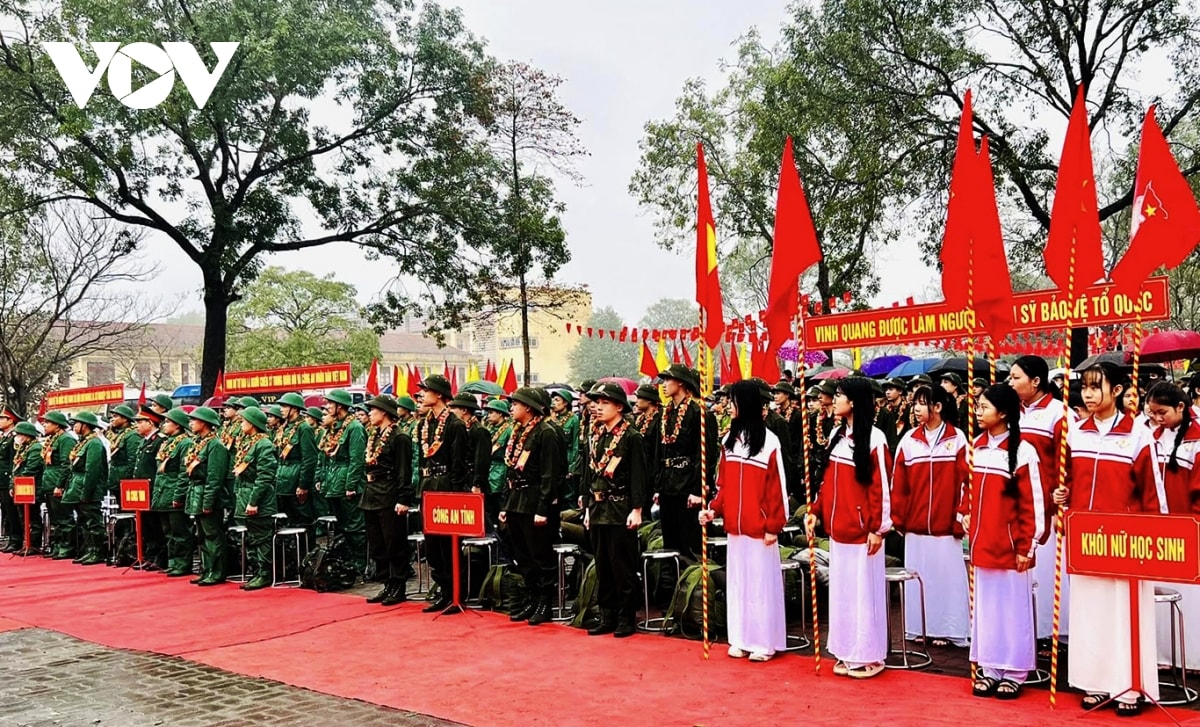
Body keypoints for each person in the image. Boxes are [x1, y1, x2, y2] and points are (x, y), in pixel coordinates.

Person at [1055, 362, 1165, 716]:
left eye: (1095, 386)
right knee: (1089, 612)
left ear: (1117, 390)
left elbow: (1152, 491)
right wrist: (1063, 494)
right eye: (1083, 387)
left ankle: (1129, 686)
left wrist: (1155, 537)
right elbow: (1070, 480)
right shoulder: (1076, 432)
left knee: (1124, 615)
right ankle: (1095, 682)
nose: (1086, 394)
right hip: (1084, 539)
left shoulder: (1137, 434)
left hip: (1125, 542)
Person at [804, 377, 892, 679]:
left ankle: (869, 654)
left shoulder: (876, 439)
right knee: (842, 594)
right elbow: (826, 481)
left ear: (853, 402)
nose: (833, 399)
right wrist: (815, 510)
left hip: (862, 531)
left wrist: (877, 528)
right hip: (838, 529)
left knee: (863, 593)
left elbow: (881, 488)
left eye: (838, 395)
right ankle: (845, 650)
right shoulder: (837, 436)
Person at [961, 384, 1043, 700]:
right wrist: (964, 513)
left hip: (1011, 548)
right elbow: (967, 490)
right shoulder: (976, 447)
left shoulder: (1023, 452)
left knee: (1013, 610)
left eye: (984, 407)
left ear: (1004, 413)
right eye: (977, 407)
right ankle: (990, 667)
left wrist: (1027, 546)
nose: (978, 412)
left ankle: (1015, 670)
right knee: (987, 609)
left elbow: (1032, 503)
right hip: (982, 544)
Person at [700, 380, 788, 661]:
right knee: (738, 585)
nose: (729, 405)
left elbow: (778, 488)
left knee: (760, 586)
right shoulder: (729, 441)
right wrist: (714, 509)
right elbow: (723, 485)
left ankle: (763, 642)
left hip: (760, 529)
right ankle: (740, 638)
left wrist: (774, 526)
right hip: (735, 529)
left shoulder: (770, 442)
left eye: (733, 401)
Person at [890, 384, 970, 647]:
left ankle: (949, 629)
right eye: (915, 403)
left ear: (938, 407)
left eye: (922, 403)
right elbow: (898, 483)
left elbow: (967, 481)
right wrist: (898, 518)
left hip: (946, 525)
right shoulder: (909, 440)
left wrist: (961, 516)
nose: (916, 408)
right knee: (919, 578)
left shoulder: (957, 439)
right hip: (916, 525)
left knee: (947, 579)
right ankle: (919, 627)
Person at [1007, 355, 1069, 643]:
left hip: (1047, 508)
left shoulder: (1059, 413)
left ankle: (1054, 634)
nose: (1010, 382)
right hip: (1016, 507)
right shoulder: (1010, 412)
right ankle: (1028, 630)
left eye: (1016, 377)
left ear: (1035, 381)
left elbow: (1064, 461)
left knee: (1048, 574)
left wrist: (1060, 501)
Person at [581, 382, 648, 637]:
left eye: (604, 403)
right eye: (596, 402)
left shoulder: (632, 437)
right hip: (598, 507)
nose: (598, 408)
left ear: (619, 406)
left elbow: (639, 475)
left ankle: (626, 617)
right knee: (603, 564)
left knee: (622, 564)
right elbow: (590, 473)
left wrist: (637, 509)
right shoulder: (595, 434)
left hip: (621, 507)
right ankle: (607, 614)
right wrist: (587, 506)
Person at [1145, 382, 1200, 672]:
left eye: (1162, 412)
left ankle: (1192, 658)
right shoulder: (1152, 436)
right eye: (1152, 413)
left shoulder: (1197, 440)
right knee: (1161, 593)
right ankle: (1162, 656)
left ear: (1181, 407)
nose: (1156, 418)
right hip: (1158, 529)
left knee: (1191, 597)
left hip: (1188, 528)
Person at [501, 386, 565, 625]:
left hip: (535, 501)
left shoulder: (546, 432)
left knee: (540, 555)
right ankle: (532, 597)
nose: (511, 407)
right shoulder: (518, 432)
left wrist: (542, 508)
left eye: (515, 404)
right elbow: (511, 470)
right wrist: (506, 504)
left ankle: (545, 602)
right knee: (523, 555)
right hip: (517, 500)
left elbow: (550, 475)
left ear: (528, 407)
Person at [653, 364, 719, 563]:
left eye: (667, 380)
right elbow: (658, 452)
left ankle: (692, 586)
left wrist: (699, 490)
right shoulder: (665, 414)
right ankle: (672, 586)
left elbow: (706, 454)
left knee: (690, 545)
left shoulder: (700, 413)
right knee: (669, 543)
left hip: (689, 485)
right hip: (668, 485)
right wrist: (658, 486)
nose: (663, 385)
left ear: (680, 382)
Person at [415, 375, 469, 613]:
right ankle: (443, 589)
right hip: (429, 486)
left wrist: (455, 496)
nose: (421, 395)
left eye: (426, 391)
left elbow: (459, 464)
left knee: (448, 545)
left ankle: (455, 593)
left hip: (446, 486)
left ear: (438, 394)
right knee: (432, 545)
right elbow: (421, 458)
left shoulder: (454, 424)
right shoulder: (424, 424)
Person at [360, 395, 414, 606]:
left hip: (390, 492)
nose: (369, 414)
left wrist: (403, 498)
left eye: (373, 410)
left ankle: (398, 585)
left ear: (384, 412)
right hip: (372, 491)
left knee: (394, 542)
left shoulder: (399, 437)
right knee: (377, 543)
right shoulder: (373, 435)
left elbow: (403, 471)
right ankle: (387, 583)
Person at [232, 406, 279, 591]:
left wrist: (254, 501)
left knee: (262, 538)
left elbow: (264, 477)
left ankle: (265, 573)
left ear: (252, 424)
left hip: (259, 499)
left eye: (243, 421)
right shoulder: (250, 442)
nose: (241, 424)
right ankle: (256, 572)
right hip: (245, 494)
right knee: (252, 537)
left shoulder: (264, 445)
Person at [321, 389, 368, 573]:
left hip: (348, 482)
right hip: (335, 482)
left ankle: (360, 562)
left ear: (339, 406)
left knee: (354, 526)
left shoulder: (354, 427)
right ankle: (346, 560)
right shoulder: (336, 427)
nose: (327, 407)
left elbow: (357, 460)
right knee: (342, 525)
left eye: (330, 403)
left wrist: (350, 485)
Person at [183, 407, 230, 586]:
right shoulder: (199, 443)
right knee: (202, 535)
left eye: (194, 420)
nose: (191, 423)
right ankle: (207, 569)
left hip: (207, 495)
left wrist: (208, 500)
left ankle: (217, 572)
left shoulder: (215, 445)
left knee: (213, 535)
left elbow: (214, 477)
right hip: (197, 493)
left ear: (204, 423)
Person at [61, 412, 109, 565]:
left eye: (76, 423)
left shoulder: (94, 443)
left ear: (85, 425)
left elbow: (92, 470)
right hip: (77, 486)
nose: (73, 426)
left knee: (93, 521)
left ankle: (97, 551)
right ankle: (88, 549)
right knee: (83, 520)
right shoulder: (83, 442)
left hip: (88, 489)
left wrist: (86, 492)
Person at [154, 408, 195, 577]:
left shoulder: (185, 443)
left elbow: (183, 473)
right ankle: (173, 561)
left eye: (168, 422)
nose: (164, 425)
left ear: (177, 425)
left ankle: (183, 563)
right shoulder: (168, 442)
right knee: (168, 531)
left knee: (180, 531)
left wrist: (178, 495)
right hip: (163, 491)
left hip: (173, 491)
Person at [274, 392, 317, 540]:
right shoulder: (284, 428)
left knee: (304, 520)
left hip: (296, 481)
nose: (281, 409)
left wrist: (303, 485)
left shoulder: (304, 428)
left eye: (284, 406)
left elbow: (309, 459)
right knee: (288, 521)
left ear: (295, 409)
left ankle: (307, 555)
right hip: (283, 481)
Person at [130, 406, 166, 566]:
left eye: (140, 422)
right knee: (146, 526)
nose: (136, 425)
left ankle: (160, 557)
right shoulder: (144, 441)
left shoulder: (160, 441)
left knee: (156, 525)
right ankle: (150, 556)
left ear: (150, 423)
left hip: (152, 489)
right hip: (141, 490)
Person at [42, 411, 78, 559]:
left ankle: (68, 546)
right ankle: (58, 544)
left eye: (47, 422)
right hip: (49, 482)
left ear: (57, 425)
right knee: (55, 518)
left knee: (64, 517)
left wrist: (60, 485)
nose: (44, 425)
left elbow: (66, 465)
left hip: (57, 483)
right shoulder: (53, 439)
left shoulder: (66, 439)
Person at [9, 420, 44, 553]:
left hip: (31, 488)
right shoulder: (24, 448)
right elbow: (16, 469)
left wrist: (17, 484)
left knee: (32, 517)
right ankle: (27, 542)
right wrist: (13, 485)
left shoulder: (35, 448)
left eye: (19, 434)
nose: (17, 437)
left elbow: (30, 470)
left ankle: (33, 543)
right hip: (22, 487)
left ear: (27, 435)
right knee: (24, 517)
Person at [449, 393, 491, 495]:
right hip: (462, 480)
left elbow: (481, 461)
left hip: (472, 483)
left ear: (464, 410)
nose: (450, 411)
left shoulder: (479, 431)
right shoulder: (460, 429)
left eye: (454, 408)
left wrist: (477, 484)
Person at [482, 399, 513, 538]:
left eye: (492, 412)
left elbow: (493, 449)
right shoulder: (489, 428)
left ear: (501, 414)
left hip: (499, 469)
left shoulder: (508, 429)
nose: (488, 415)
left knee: (497, 502)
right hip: (489, 468)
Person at [550, 390, 581, 503]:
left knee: (568, 495)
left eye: (557, 400)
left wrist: (571, 467)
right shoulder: (553, 419)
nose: (553, 402)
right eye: (553, 399)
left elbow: (575, 444)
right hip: (554, 461)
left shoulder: (573, 420)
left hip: (567, 459)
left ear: (565, 403)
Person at [0, 403, 17, 552]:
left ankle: (15, 539)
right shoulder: (4, 438)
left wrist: (12, 481)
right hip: (1, 479)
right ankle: (9, 538)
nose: (0, 421)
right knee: (5, 509)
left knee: (11, 510)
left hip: (7, 479)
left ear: (11, 420)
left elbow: (13, 461)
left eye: (2, 418)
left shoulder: (14, 439)